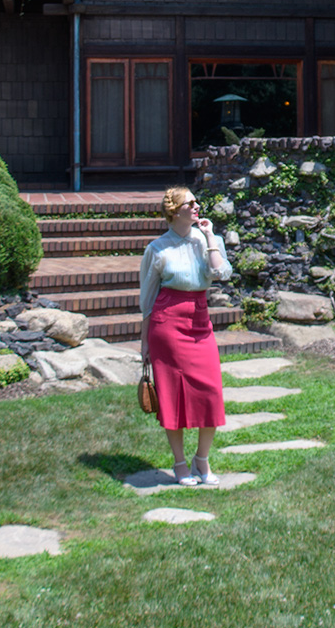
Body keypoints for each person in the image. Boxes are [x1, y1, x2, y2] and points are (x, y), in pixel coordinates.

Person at [139, 185, 231, 486]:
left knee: (210, 390)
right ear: (174, 210)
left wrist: (208, 237)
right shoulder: (156, 249)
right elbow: (147, 299)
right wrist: (145, 343)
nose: (197, 206)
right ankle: (179, 464)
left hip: (199, 319)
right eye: (189, 203)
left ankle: (201, 460)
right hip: (166, 323)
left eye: (196, 202)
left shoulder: (208, 239)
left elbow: (222, 274)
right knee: (172, 394)